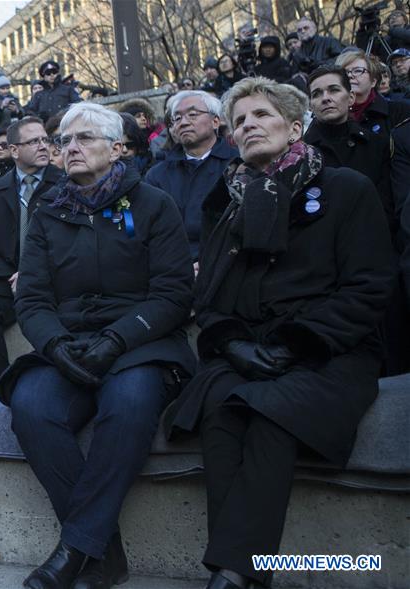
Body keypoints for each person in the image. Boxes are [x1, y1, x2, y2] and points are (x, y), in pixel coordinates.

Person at [165, 77, 395, 589]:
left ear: (296, 127)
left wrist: (298, 342)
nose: (249, 125)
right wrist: (233, 343)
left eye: (262, 115)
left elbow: (369, 286)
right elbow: (211, 297)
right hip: (249, 349)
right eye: (240, 120)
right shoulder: (227, 201)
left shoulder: (344, 189)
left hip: (329, 348)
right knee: (221, 408)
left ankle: (232, 575)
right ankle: (244, 572)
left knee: (270, 414)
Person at [0, 103, 195, 589]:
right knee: (32, 406)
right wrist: (54, 344)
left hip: (140, 342)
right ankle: (104, 554)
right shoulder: (49, 212)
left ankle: (75, 550)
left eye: (84, 138)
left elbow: (173, 293)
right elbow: (35, 298)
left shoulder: (153, 203)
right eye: (64, 141)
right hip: (69, 342)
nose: (70, 148)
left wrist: (118, 338)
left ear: (117, 148)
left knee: (129, 403)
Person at [0, 117, 63, 390]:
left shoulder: (67, 186)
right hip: (7, 282)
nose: (44, 146)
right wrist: (10, 275)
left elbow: (74, 244)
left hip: (56, 280)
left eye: (46, 140)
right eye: (34, 141)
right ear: (13, 150)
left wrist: (33, 274)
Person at [144, 90, 238, 264]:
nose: (184, 122)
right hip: (175, 268)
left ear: (215, 121)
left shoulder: (238, 165)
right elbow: (152, 232)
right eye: (177, 118)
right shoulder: (157, 175)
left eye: (193, 114)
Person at [305, 65, 394, 221]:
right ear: (311, 105)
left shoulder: (377, 146)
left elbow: (386, 207)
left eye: (334, 90)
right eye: (317, 94)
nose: (325, 98)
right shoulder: (300, 154)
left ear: (351, 97)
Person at [336, 50, 410, 138]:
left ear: (373, 82)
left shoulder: (401, 111)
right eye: (344, 72)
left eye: (358, 71)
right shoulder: (329, 116)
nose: (350, 75)